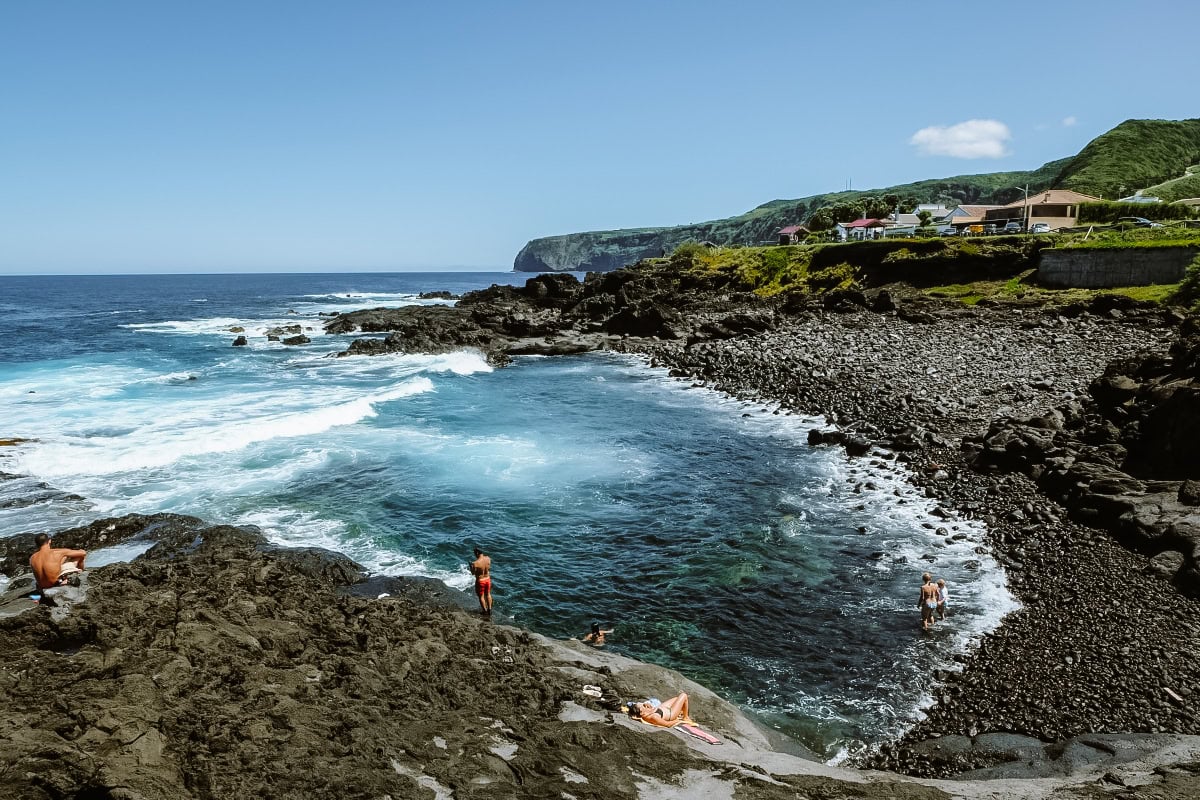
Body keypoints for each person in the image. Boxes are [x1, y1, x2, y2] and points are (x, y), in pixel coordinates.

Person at [470, 546, 492, 615]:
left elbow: (473, 573)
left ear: (477, 553)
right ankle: (489, 609)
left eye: (475, 554)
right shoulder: (488, 558)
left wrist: (471, 567)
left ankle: (484, 611)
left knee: (481, 596)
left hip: (481, 581)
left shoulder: (475, 563)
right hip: (488, 579)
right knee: (488, 594)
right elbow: (488, 568)